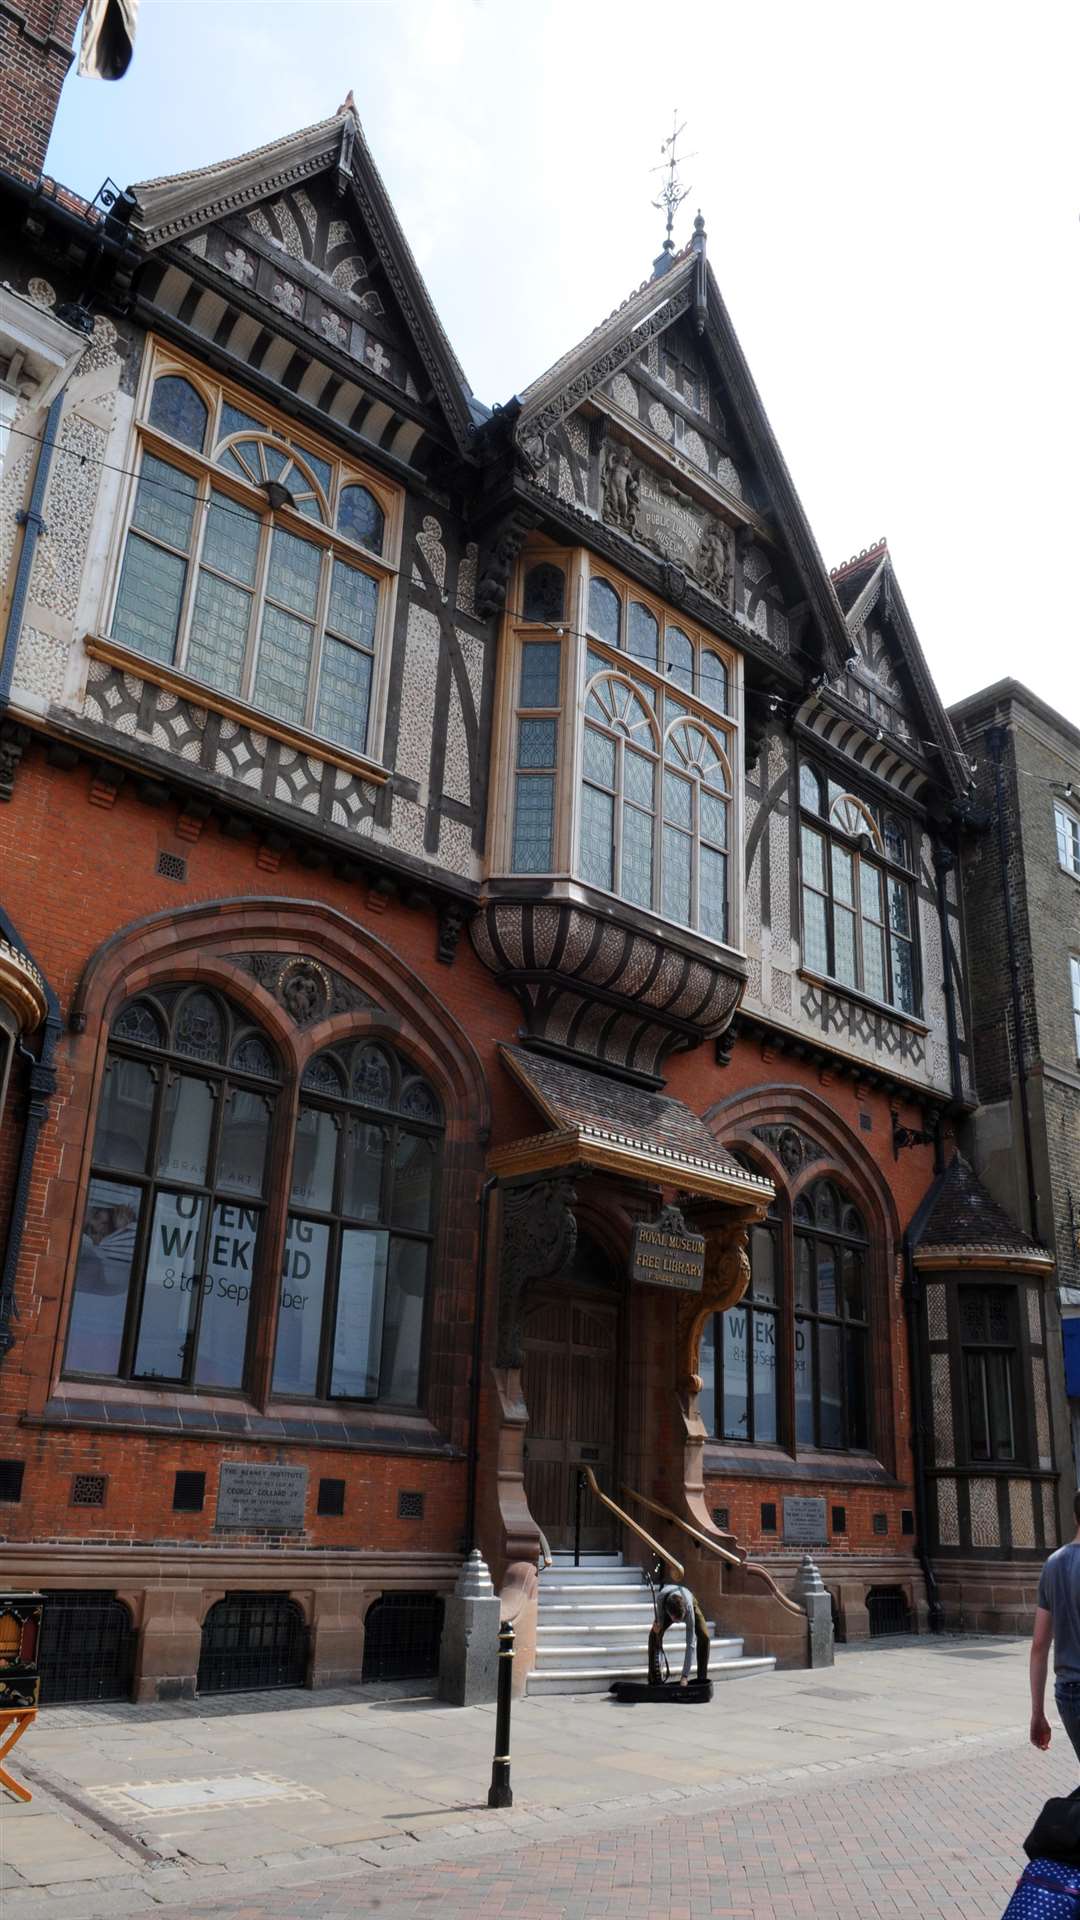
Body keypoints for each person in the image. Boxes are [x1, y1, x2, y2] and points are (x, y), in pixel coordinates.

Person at [1030, 1490, 1080, 1761]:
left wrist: (1037, 1712)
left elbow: (1039, 1645)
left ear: (1075, 1517)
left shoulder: (1054, 1563)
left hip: (1069, 1694)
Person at [648, 1582, 711, 1689]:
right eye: (676, 1620)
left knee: (704, 1636)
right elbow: (659, 1625)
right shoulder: (661, 1599)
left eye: (680, 1619)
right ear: (669, 1613)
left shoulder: (689, 1608)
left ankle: (701, 1677)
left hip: (689, 1601)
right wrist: (657, 1630)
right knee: (653, 1635)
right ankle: (653, 1677)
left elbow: (690, 1643)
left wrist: (685, 1676)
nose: (678, 1623)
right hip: (667, 1604)